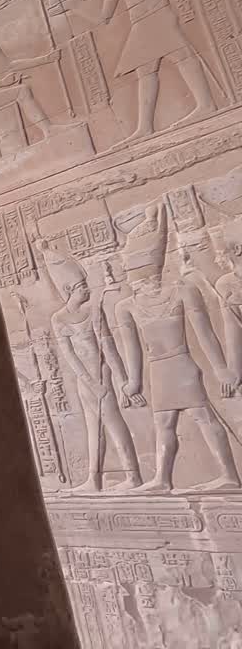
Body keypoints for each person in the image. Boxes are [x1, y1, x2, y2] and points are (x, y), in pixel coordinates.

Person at [114, 204, 240, 491]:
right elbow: (132, 349)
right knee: (163, 422)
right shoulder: (126, 307)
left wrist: (221, 369)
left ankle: (229, 476)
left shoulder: (183, 291)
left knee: (202, 415)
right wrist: (133, 382)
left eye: (138, 275)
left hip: (182, 364)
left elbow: (206, 334)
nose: (137, 281)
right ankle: (162, 478)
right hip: (158, 370)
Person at [68, 0, 216, 148]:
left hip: (159, 16)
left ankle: (206, 105)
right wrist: (75, 7)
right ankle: (145, 127)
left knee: (182, 56)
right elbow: (104, 18)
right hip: (140, 25)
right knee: (145, 72)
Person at [40, 242, 143, 491]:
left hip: (101, 375)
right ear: (68, 290)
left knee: (113, 423)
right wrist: (90, 383)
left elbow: (109, 348)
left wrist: (122, 381)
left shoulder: (94, 311)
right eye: (81, 286)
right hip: (85, 379)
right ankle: (93, 479)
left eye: (86, 284)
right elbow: (70, 356)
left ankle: (133, 476)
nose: (87, 289)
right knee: (93, 427)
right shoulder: (59, 319)